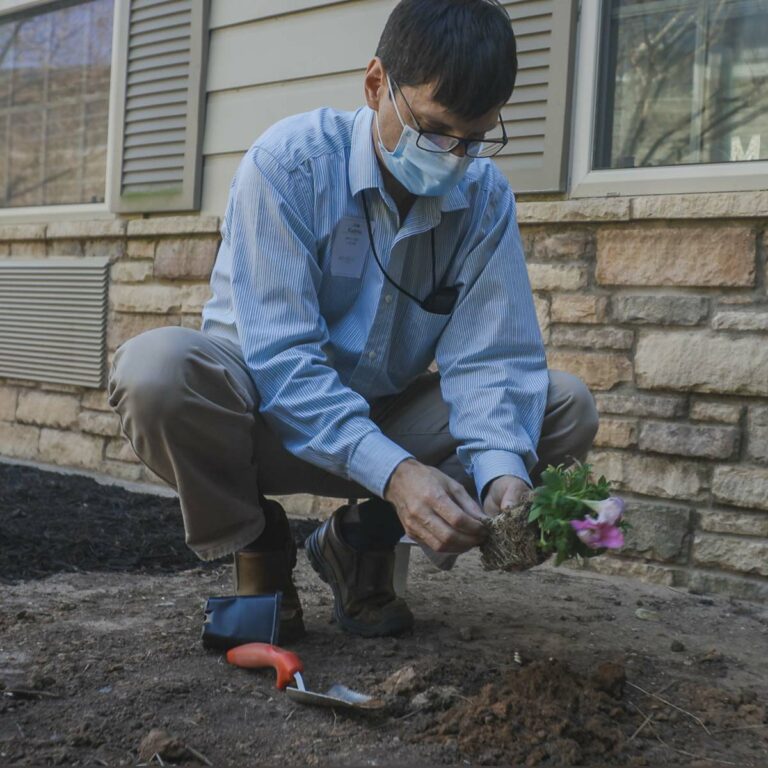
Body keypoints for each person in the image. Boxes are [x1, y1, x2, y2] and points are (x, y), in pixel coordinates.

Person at [108, 0, 598, 643]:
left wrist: (502, 474)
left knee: (562, 406)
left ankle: (361, 542)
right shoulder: (286, 166)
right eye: (433, 129)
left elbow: (492, 360)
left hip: (386, 416)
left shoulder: (484, 197)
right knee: (157, 372)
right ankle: (260, 547)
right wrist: (396, 474)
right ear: (375, 86)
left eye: (474, 139)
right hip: (262, 419)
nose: (453, 158)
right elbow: (282, 362)